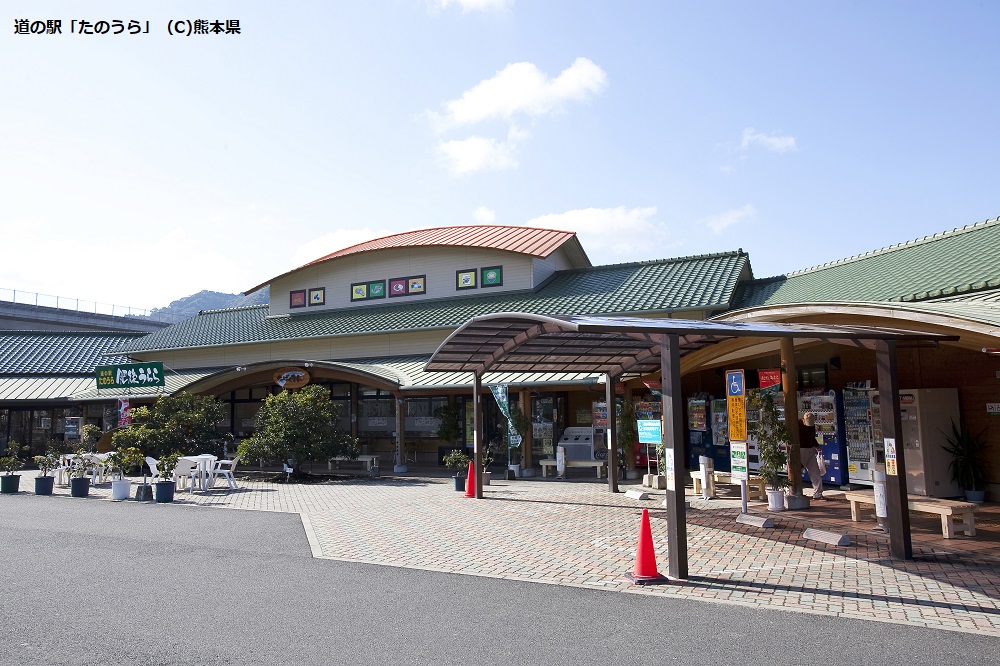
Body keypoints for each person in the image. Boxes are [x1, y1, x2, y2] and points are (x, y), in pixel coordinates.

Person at [797, 412, 825, 500]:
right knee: (798, 471)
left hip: (810, 449)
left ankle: (818, 494)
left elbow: (812, 437)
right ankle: (795, 491)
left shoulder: (812, 425)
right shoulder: (797, 425)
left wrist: (817, 446)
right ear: (803, 419)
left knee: (816, 472)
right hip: (801, 449)